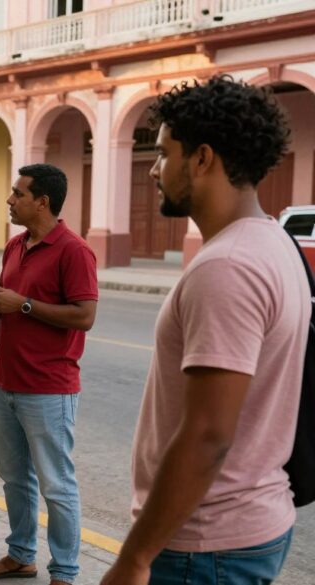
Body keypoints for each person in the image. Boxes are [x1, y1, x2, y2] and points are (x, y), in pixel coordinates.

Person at [100, 76, 307, 585]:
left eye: (164, 152)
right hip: (247, 524)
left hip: (205, 544)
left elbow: (207, 435)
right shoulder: (275, 244)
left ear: (202, 158)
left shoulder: (228, 266)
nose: (153, 167)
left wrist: (135, 558)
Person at [0, 164, 98, 585]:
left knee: (57, 486)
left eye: (17, 193)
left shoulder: (74, 250)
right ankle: (20, 554)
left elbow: (84, 316)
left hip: (48, 388)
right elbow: (13, 301)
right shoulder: (14, 245)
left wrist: (22, 304)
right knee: (14, 480)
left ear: (42, 201)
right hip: (4, 381)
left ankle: (64, 572)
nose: (9, 200)